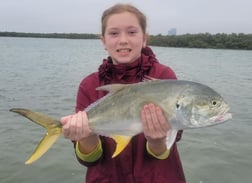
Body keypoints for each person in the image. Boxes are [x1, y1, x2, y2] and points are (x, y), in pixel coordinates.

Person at [61, 3, 186, 183]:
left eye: (132, 32)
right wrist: (87, 136)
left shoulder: (163, 76)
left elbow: (171, 141)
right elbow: (90, 159)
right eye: (113, 33)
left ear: (144, 39)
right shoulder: (90, 85)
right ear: (103, 41)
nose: (123, 40)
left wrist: (157, 142)